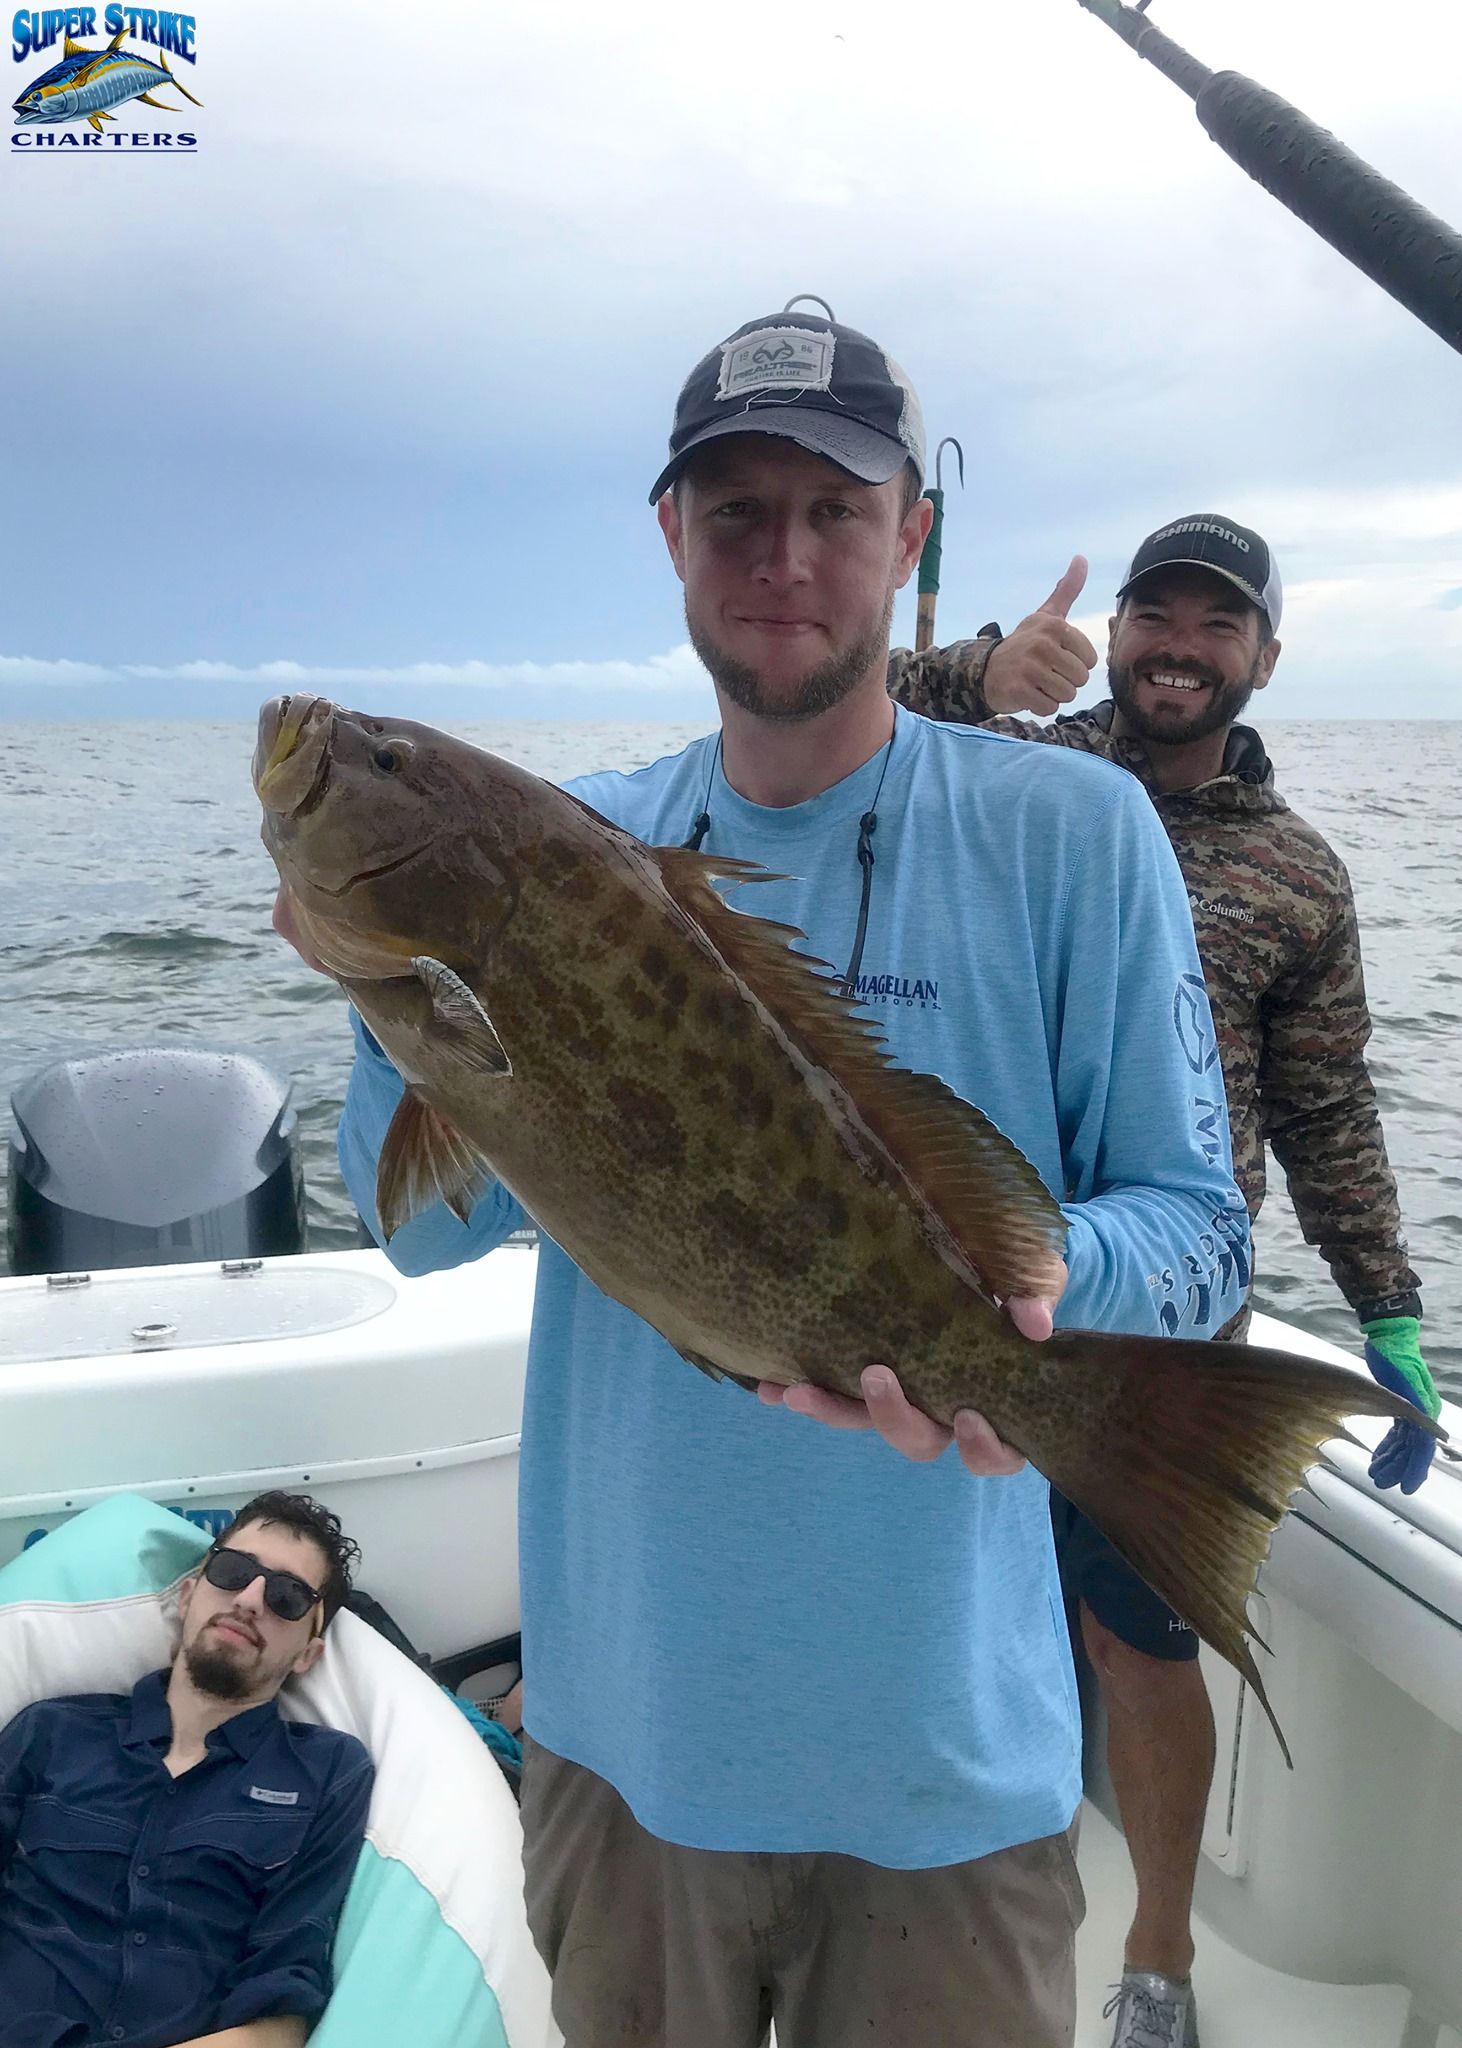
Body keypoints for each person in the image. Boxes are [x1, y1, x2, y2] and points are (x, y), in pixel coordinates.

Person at [278, 308, 1251, 2048]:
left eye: (834, 508)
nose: (783, 556)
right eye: (734, 510)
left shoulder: (1075, 836)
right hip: (631, 1750)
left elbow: (1190, 1232)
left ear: (910, 539)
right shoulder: (569, 843)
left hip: (954, 1775)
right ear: (670, 539)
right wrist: (390, 990)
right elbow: (420, 1240)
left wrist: (1024, 1299)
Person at [889, 519, 1441, 2048]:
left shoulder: (1295, 874)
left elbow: (1326, 1108)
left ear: (1262, 658)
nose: (1177, 646)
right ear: (1114, 629)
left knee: (1141, 1636)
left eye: (1217, 624)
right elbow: (820, 705)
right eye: (1156, 615)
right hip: (942, 1288)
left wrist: (1385, 1310)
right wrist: (978, 669)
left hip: (1157, 1331)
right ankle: (929, 1883)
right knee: (935, 1592)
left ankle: (1156, 1963)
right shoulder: (996, 764)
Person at [0, 1492, 374, 2048]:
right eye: (233, 1571)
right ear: (188, 1594)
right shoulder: (50, 1733)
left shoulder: (327, 1774)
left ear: (308, 1655)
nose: (250, 1599)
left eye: (288, 1596)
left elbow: (279, 2017)